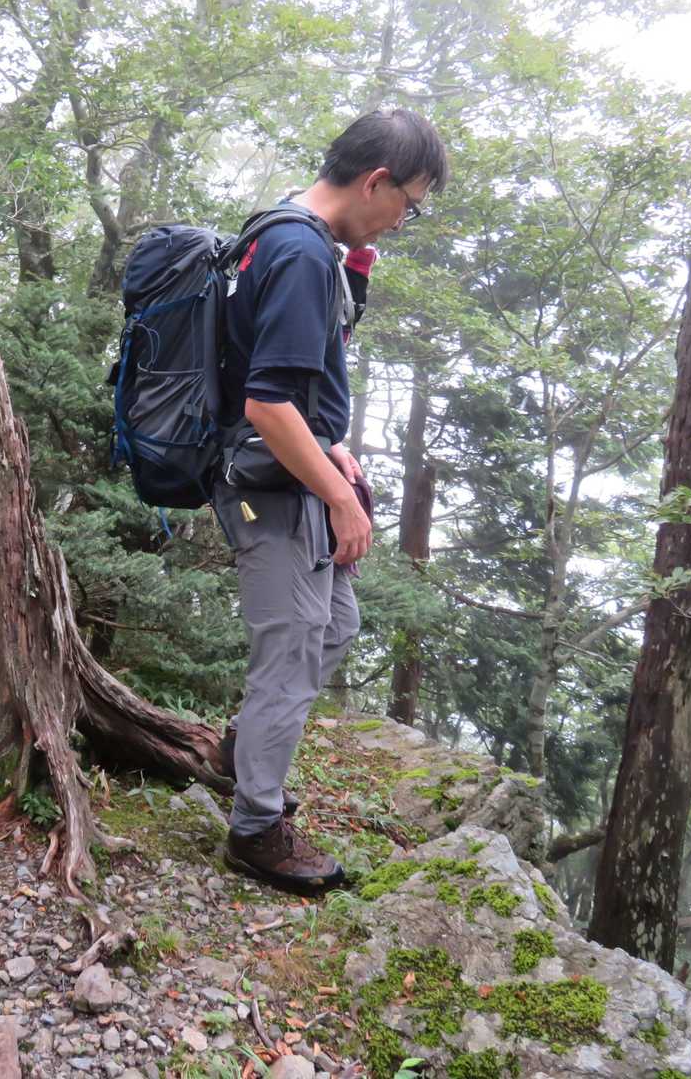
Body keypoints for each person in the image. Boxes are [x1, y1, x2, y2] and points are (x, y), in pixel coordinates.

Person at [212, 109, 448, 895]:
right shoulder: (300, 251)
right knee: (292, 646)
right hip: (267, 484)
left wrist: (332, 448)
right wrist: (342, 499)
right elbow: (267, 404)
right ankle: (256, 829)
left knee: (336, 625)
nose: (404, 220)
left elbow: (287, 386)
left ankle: (243, 748)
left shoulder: (286, 232)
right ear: (377, 181)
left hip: (293, 472)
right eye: (410, 203)